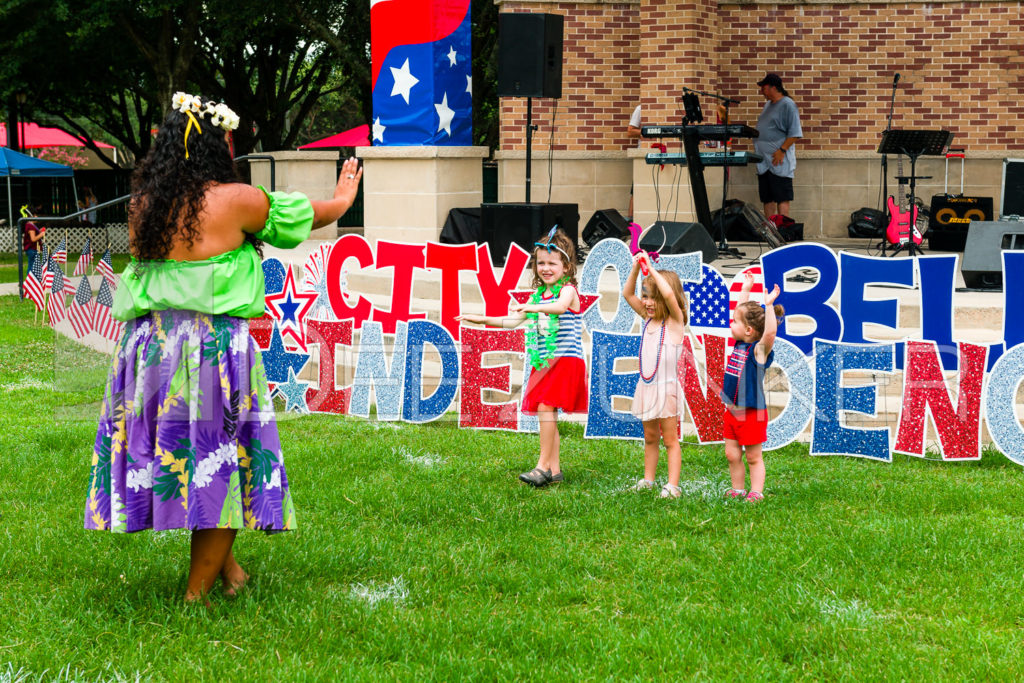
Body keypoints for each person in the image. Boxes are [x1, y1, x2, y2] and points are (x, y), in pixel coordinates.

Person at [82, 91, 363, 604]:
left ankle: (230, 572)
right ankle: (195, 597)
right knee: (218, 464)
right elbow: (303, 218)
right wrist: (343, 199)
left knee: (190, 459)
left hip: (150, 350)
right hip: (210, 350)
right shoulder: (237, 199)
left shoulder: (144, 206)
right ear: (218, 144)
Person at [457, 228, 587, 487]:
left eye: (552, 263)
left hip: (565, 360)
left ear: (566, 266)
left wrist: (531, 307)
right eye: (541, 262)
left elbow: (559, 308)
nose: (546, 268)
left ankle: (542, 467)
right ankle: (556, 470)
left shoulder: (568, 291)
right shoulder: (538, 297)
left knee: (544, 407)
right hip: (546, 363)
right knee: (547, 411)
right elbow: (510, 321)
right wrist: (481, 318)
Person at [622, 251, 690, 498]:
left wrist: (650, 269)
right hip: (647, 386)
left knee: (670, 439)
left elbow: (671, 295)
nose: (647, 302)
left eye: (653, 298)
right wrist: (636, 268)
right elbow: (627, 294)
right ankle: (648, 480)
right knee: (650, 437)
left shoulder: (675, 322)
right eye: (646, 297)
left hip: (666, 389)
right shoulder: (648, 319)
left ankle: (673, 485)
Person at [722, 272, 784, 502]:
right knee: (731, 454)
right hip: (732, 411)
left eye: (735, 322)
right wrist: (745, 288)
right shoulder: (740, 343)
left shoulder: (758, 352)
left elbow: (769, 333)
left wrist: (768, 306)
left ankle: (756, 491)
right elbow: (740, 310)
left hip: (751, 414)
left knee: (753, 457)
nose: (731, 322)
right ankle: (738, 488)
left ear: (749, 330)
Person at [753, 73, 802, 219]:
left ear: (773, 87)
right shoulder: (768, 105)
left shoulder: (788, 105)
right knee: (767, 197)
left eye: (764, 87)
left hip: (778, 160)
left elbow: (795, 132)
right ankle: (770, 230)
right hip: (764, 162)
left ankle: (783, 229)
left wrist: (782, 150)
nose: (761, 91)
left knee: (782, 196)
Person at [626, 104, 642, 220]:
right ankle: (631, 223)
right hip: (643, 154)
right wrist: (648, 132)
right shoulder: (640, 108)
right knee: (636, 190)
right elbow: (630, 131)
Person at [21, 204, 45, 276]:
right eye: (35, 215)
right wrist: (41, 234)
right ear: (31, 216)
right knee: (32, 266)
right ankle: (30, 282)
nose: (37, 217)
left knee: (33, 266)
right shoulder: (30, 225)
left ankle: (32, 281)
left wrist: (39, 231)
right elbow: (33, 239)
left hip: (32, 249)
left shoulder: (31, 225)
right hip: (32, 249)